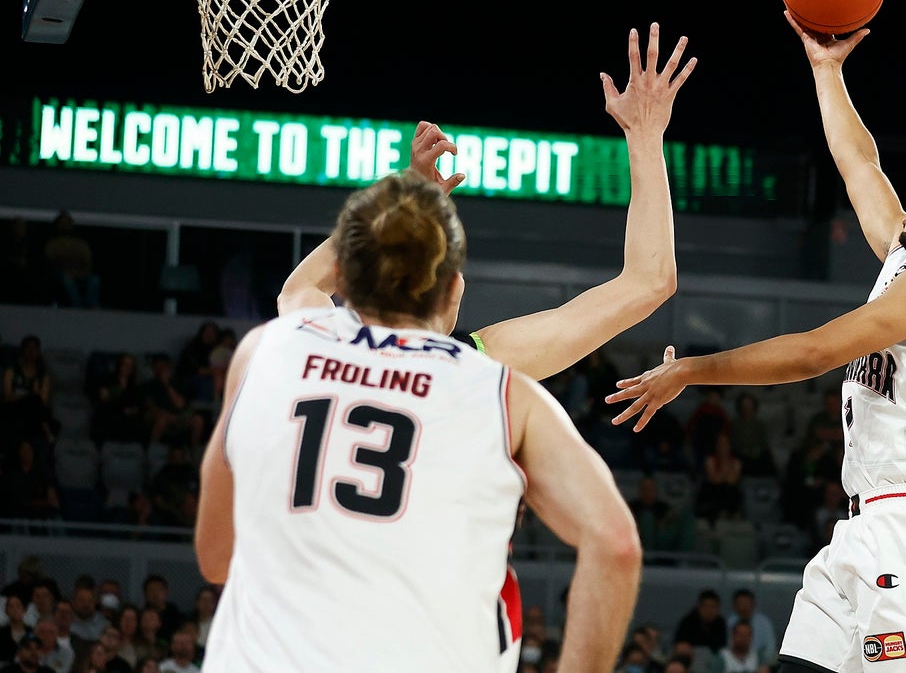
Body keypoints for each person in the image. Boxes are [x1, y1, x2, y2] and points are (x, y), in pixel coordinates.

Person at [608, 14, 906, 673]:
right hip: (863, 527)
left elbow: (813, 351)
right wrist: (827, 70)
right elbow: (860, 161)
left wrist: (692, 369)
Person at [273, 22, 696, 671]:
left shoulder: (316, 341)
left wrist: (408, 200)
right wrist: (644, 136)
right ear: (455, 291)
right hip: (443, 636)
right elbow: (648, 281)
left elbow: (302, 283)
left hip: (321, 631)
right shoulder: (485, 368)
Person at [194, 167, 643, 671]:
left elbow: (215, 557)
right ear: (453, 289)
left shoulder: (270, 348)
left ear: (343, 273)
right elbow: (617, 544)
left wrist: (405, 195)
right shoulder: (498, 387)